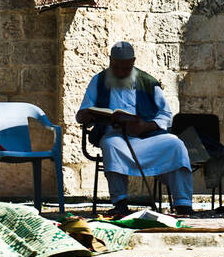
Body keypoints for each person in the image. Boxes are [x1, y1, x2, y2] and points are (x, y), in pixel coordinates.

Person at [76, 41, 193, 218]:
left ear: (133, 62)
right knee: (111, 144)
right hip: (115, 136)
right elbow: (82, 113)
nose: (121, 73)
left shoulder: (147, 82)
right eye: (116, 68)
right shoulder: (99, 81)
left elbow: (166, 115)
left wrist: (145, 126)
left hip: (147, 137)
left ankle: (183, 204)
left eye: (125, 68)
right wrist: (88, 114)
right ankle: (120, 203)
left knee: (176, 144)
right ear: (110, 62)